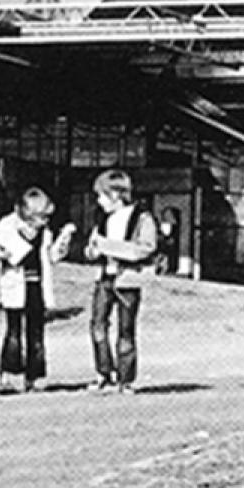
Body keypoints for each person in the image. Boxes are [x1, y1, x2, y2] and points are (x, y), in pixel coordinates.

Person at [0, 187, 74, 394]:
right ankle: (10, 376)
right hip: (15, 286)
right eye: (42, 218)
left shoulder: (46, 232)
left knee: (37, 334)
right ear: (29, 215)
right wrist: (2, 252)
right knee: (14, 332)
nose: (46, 222)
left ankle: (36, 376)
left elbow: (50, 257)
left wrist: (62, 244)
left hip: (37, 286)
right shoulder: (7, 225)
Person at [85, 168, 159, 393]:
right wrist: (92, 251)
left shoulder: (142, 218)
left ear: (115, 195)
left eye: (101, 196)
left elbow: (146, 248)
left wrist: (109, 247)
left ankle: (125, 379)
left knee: (126, 330)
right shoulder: (102, 219)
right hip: (104, 278)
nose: (98, 201)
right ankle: (103, 372)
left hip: (128, 281)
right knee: (97, 325)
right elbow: (92, 247)